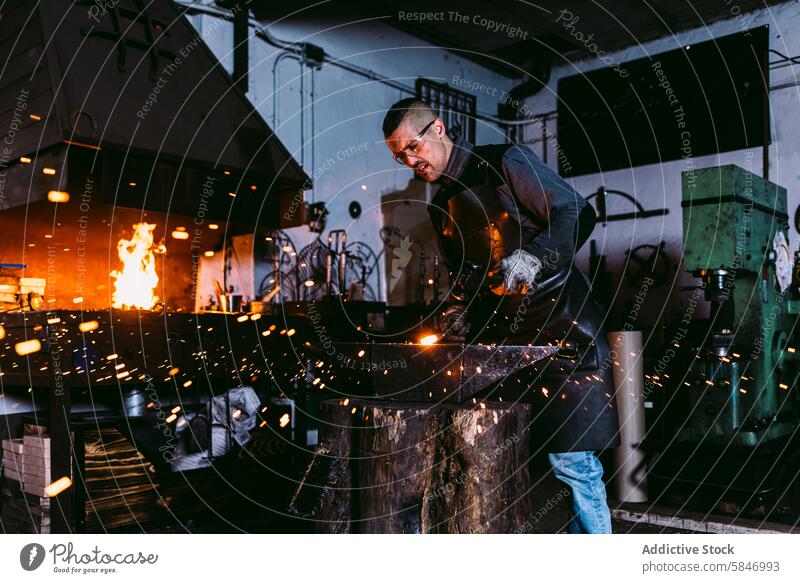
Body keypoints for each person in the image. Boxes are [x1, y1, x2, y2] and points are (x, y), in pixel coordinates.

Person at [382, 98, 620, 534]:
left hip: (561, 336)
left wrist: (535, 256)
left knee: (572, 464)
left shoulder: (504, 162)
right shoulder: (444, 204)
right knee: (496, 454)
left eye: (413, 147)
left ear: (437, 128)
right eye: (400, 156)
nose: (410, 160)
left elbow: (574, 209)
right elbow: (467, 278)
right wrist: (455, 314)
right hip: (507, 348)